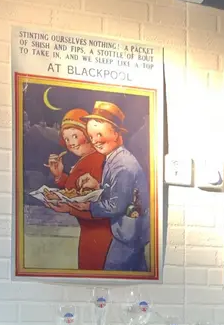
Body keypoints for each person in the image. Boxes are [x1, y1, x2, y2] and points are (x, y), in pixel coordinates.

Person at [66, 101, 150, 273]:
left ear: (116, 133)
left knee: (112, 272)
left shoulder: (123, 165)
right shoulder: (115, 158)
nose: (95, 141)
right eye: (91, 136)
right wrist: (97, 185)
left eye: (99, 134)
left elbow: (116, 205)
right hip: (132, 233)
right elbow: (121, 192)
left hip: (127, 236)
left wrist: (88, 206)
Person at [44, 108, 113, 271]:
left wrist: (69, 208)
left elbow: (100, 207)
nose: (71, 143)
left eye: (75, 136)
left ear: (88, 135)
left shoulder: (97, 161)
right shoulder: (86, 159)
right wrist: (59, 176)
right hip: (89, 233)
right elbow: (75, 191)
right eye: (67, 138)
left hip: (100, 235)